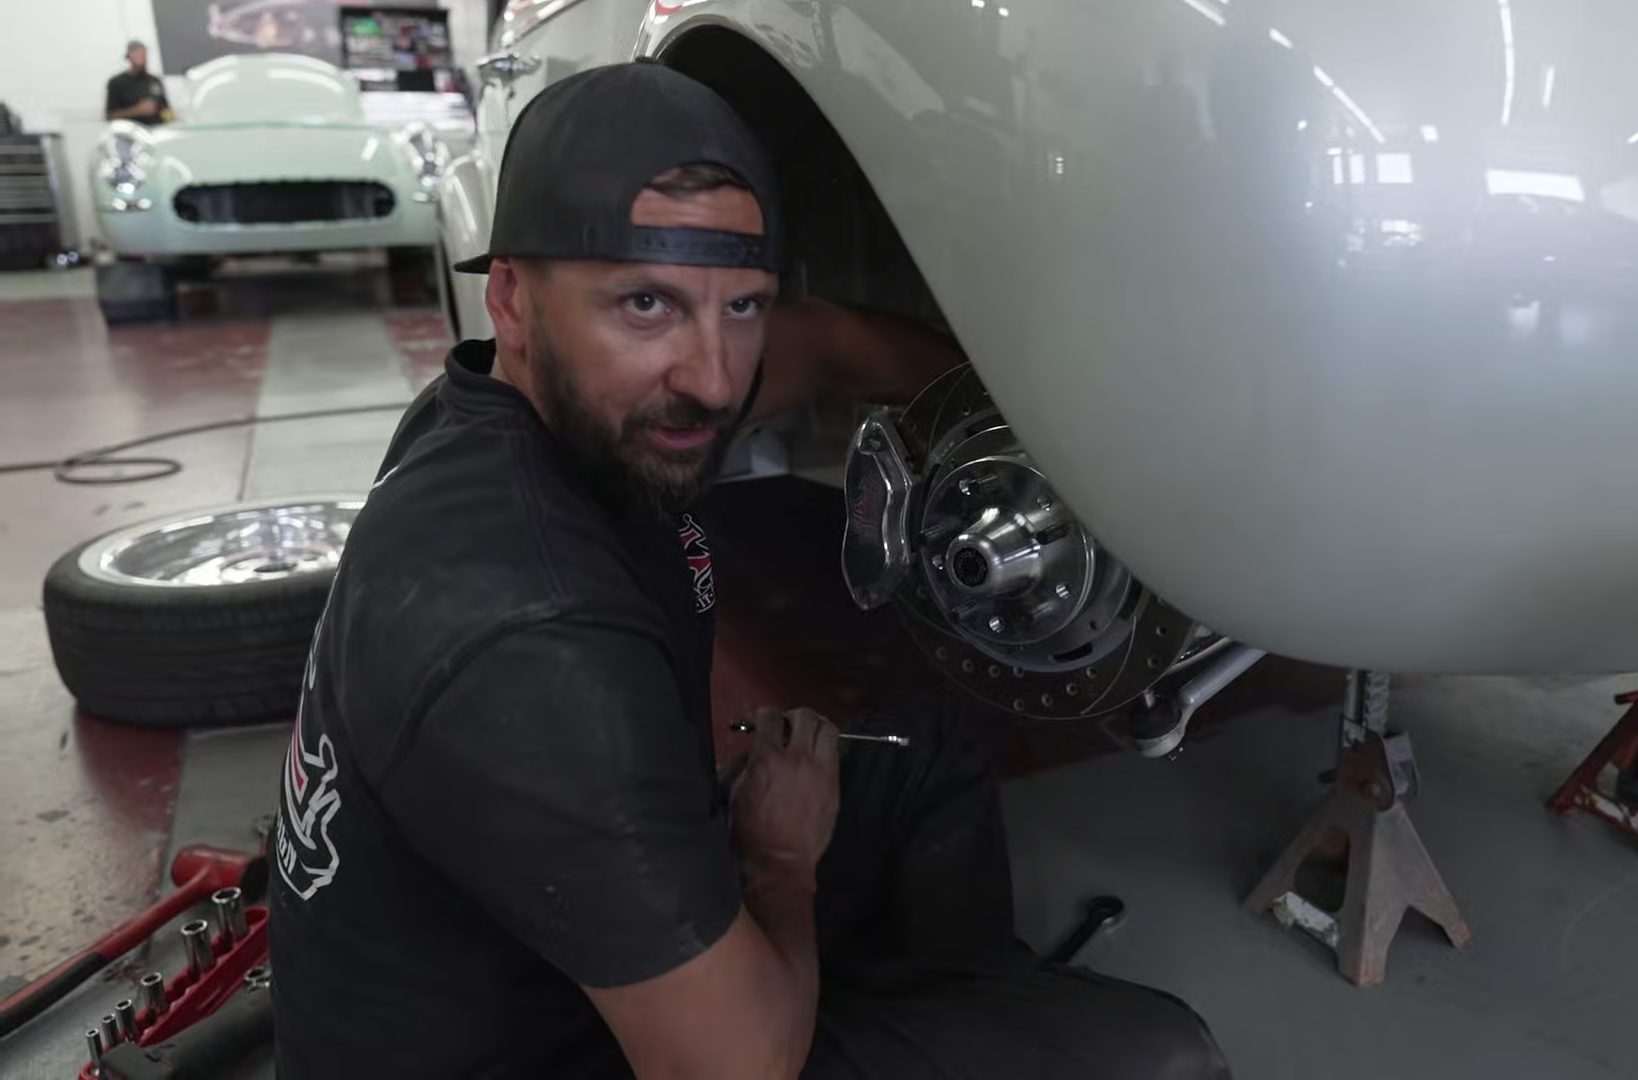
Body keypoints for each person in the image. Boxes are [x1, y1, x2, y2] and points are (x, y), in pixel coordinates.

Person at [268, 60, 1232, 1080]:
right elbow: (730, 1070)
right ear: (511, 298)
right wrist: (780, 864)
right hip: (565, 1051)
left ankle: (948, 1011)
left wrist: (1041, 444)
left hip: (561, 948)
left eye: (742, 305)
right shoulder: (529, 635)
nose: (714, 379)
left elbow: (831, 345)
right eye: (646, 303)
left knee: (926, 753)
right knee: (1160, 1058)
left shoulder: (543, 407)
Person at [104, 41, 171, 125]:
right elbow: (110, 116)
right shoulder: (116, 83)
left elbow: (165, 109)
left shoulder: (155, 81)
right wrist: (137, 111)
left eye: (144, 55)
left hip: (157, 129)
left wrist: (170, 116)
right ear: (130, 57)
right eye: (138, 55)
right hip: (131, 130)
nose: (143, 58)